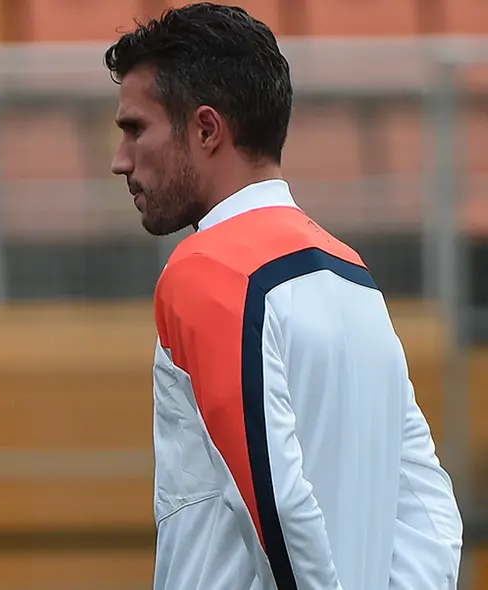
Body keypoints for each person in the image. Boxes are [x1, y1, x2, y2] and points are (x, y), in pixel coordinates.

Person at [106, 3, 463, 589]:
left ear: (206, 129)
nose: (120, 160)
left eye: (135, 128)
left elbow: (274, 501)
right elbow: (430, 516)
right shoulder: (355, 279)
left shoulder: (206, 270)